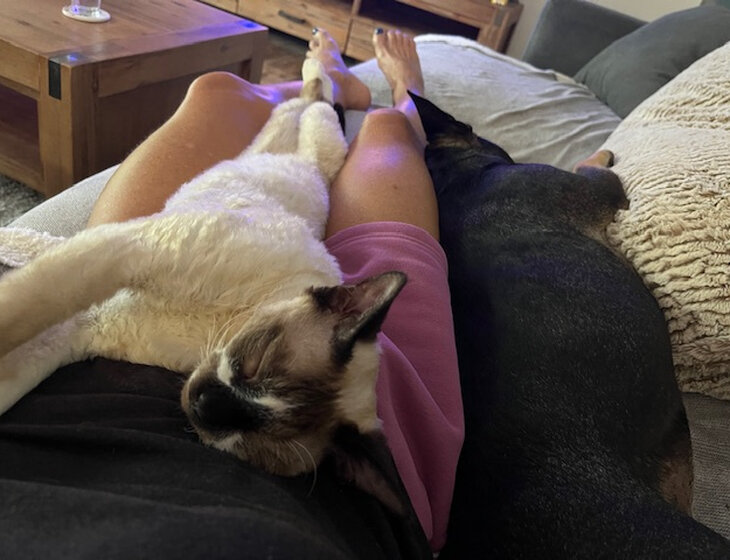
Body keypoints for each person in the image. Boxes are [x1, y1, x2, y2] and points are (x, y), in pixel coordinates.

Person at [0, 29, 463, 558]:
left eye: (266, 448)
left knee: (236, 98)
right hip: (301, 301)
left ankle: (370, 96)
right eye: (249, 367)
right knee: (224, 89)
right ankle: (348, 93)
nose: (203, 404)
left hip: (111, 368)